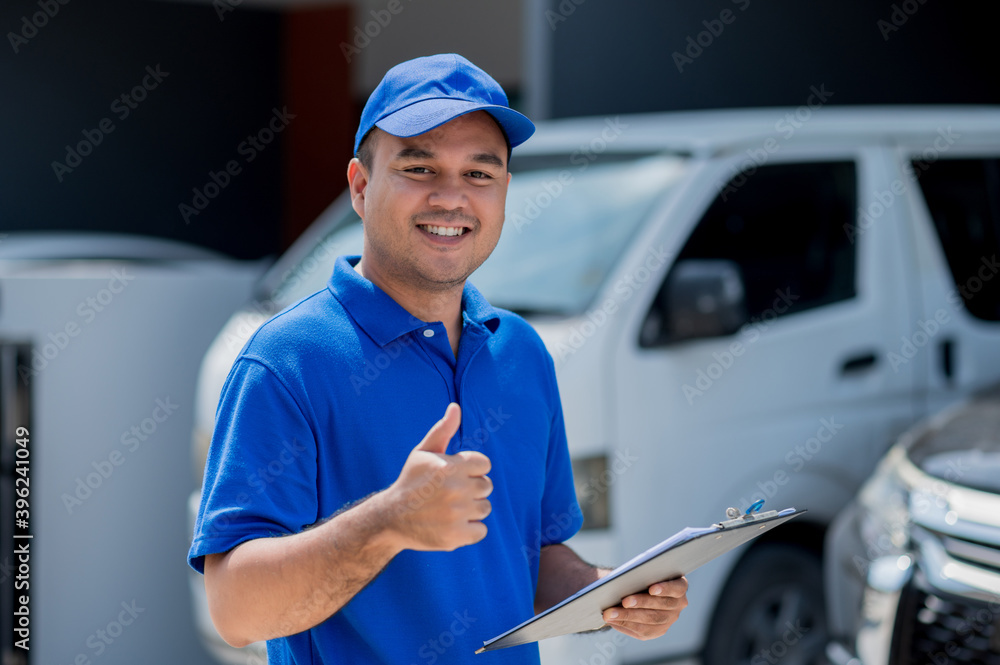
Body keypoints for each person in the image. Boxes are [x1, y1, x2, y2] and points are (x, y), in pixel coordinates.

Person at [188, 53, 687, 664]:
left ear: (506, 191)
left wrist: (608, 595)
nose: (452, 199)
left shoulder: (521, 353)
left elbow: (528, 559)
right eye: (420, 167)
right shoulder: (287, 361)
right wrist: (390, 522)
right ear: (362, 187)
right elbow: (236, 610)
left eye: (481, 174)